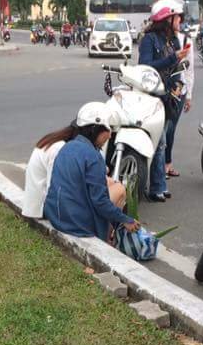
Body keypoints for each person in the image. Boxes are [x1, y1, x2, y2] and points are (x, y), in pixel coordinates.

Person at [43, 102, 140, 242]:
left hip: (56, 216)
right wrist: (125, 220)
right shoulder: (93, 157)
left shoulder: (67, 147)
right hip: (76, 225)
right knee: (118, 190)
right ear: (95, 129)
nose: (110, 135)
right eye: (109, 130)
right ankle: (107, 241)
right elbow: (100, 202)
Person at [137, 0, 189, 202]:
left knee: (163, 140)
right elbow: (145, 66)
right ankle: (156, 186)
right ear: (166, 19)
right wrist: (173, 58)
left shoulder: (174, 40)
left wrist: (180, 84)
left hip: (169, 95)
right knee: (158, 141)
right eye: (176, 17)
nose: (179, 21)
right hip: (152, 94)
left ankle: (159, 184)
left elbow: (176, 69)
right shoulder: (149, 40)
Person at [164, 0, 195, 180]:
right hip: (162, 89)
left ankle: (167, 164)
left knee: (171, 128)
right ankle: (161, 164)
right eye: (175, 18)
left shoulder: (185, 41)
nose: (178, 21)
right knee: (163, 129)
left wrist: (189, 95)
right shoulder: (159, 39)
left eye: (178, 18)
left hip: (179, 91)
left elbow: (189, 70)